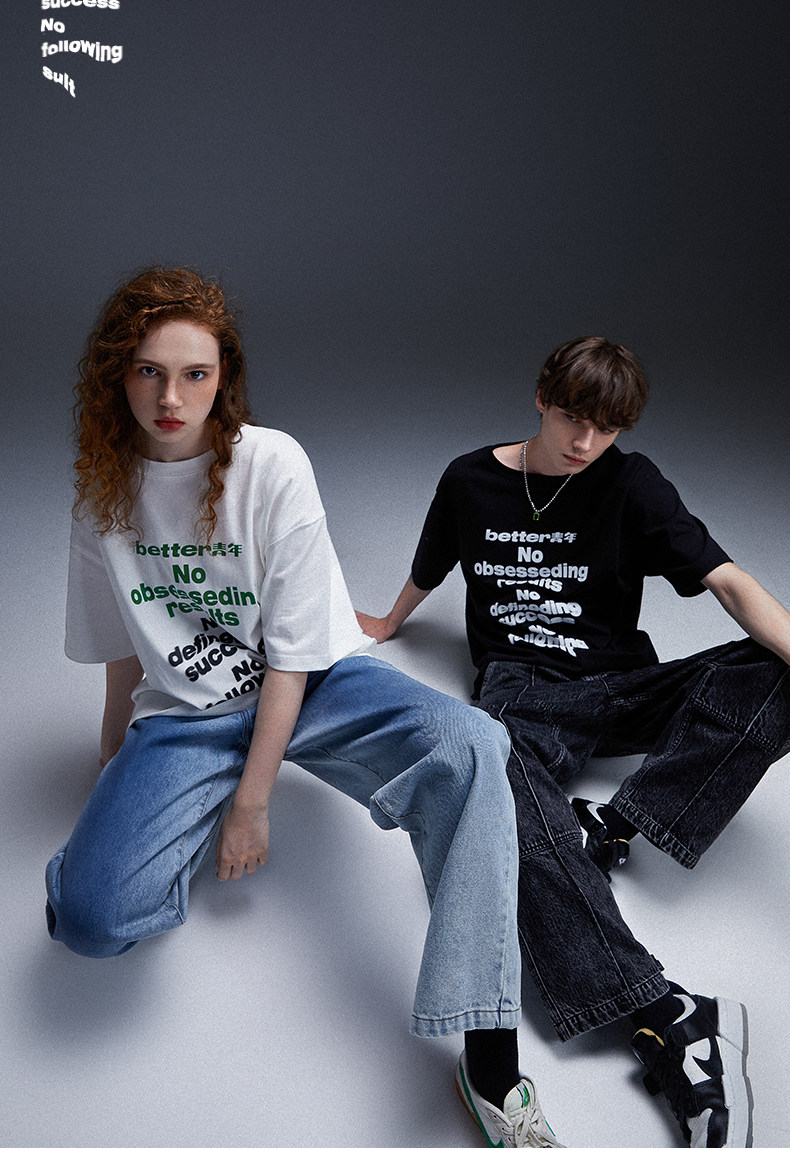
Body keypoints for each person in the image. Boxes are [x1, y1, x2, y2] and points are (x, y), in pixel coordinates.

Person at [45, 267, 564, 1150]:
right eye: (148, 372)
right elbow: (125, 645)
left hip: (317, 686)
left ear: (224, 379)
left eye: (195, 374)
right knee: (89, 922)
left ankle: (490, 1060)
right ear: (115, 375)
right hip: (188, 715)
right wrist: (112, 764)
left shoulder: (270, 462)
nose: (171, 398)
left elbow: (291, 657)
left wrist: (251, 805)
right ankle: (160, 821)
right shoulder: (103, 491)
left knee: (472, 741)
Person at [357, 335, 790, 1148]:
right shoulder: (470, 479)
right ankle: (666, 1012)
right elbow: (433, 560)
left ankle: (616, 823)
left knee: (779, 668)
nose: (585, 443)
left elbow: (729, 582)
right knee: (495, 790)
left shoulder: (632, 482)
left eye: (606, 429)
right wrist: (388, 620)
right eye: (570, 420)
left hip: (624, 686)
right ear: (540, 398)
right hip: (525, 697)